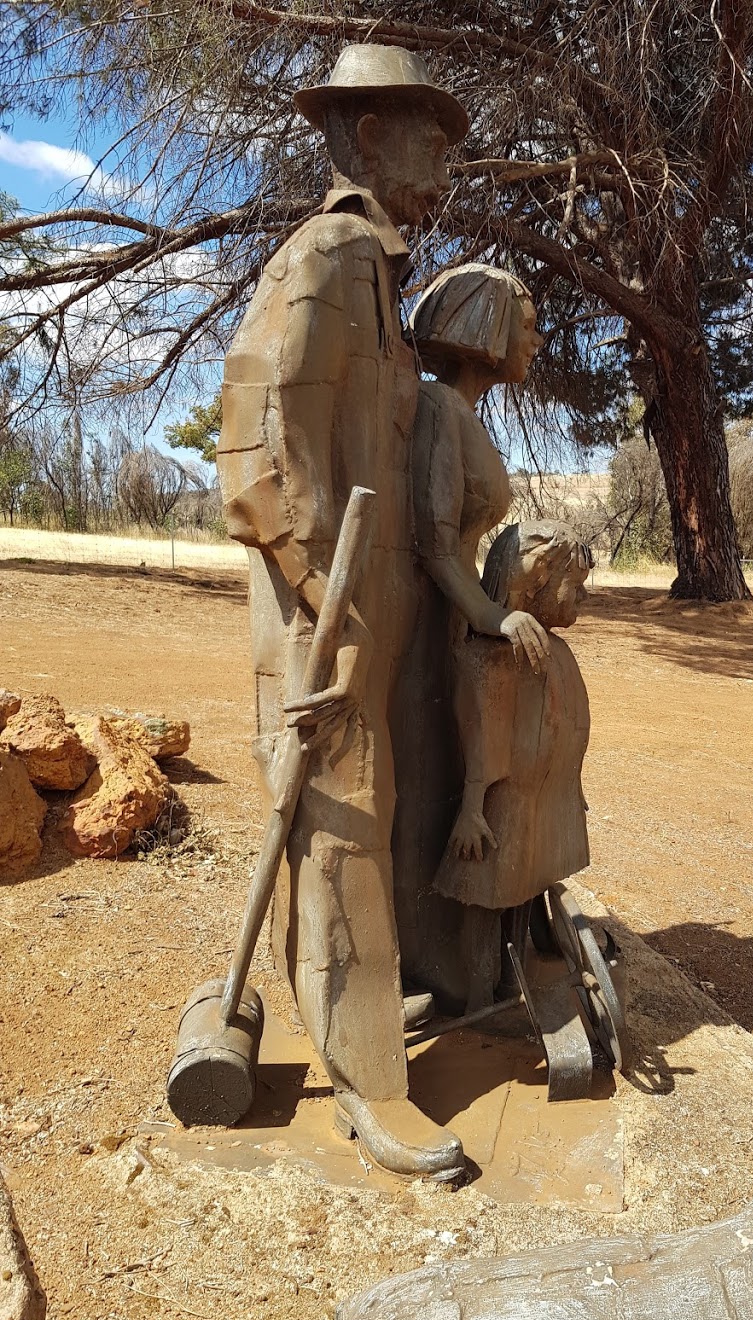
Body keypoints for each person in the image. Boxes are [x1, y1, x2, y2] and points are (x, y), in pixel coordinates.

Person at [215, 44, 468, 1181]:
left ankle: (376, 992)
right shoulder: (327, 253)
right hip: (327, 613)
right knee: (340, 822)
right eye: (429, 133)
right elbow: (256, 436)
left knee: (379, 813)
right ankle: (370, 1083)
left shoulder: (381, 276)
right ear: (367, 139)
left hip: (375, 605)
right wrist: (324, 599)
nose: (447, 159)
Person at [389, 265, 549, 1009]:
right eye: (526, 324)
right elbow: (432, 537)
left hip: (457, 624)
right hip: (426, 631)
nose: (536, 339)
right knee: (425, 791)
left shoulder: (465, 412)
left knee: (459, 781)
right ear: (483, 331)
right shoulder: (436, 407)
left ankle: (464, 954)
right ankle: (423, 964)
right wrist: (488, 615)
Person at [433, 521, 593, 1010]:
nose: (583, 596)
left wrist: (572, 785)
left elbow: (568, 729)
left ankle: (514, 976)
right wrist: (473, 806)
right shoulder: (491, 662)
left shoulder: (553, 653)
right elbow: (485, 738)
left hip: (544, 803)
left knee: (524, 888)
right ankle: (483, 996)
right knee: (491, 897)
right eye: (576, 584)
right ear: (535, 582)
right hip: (501, 812)